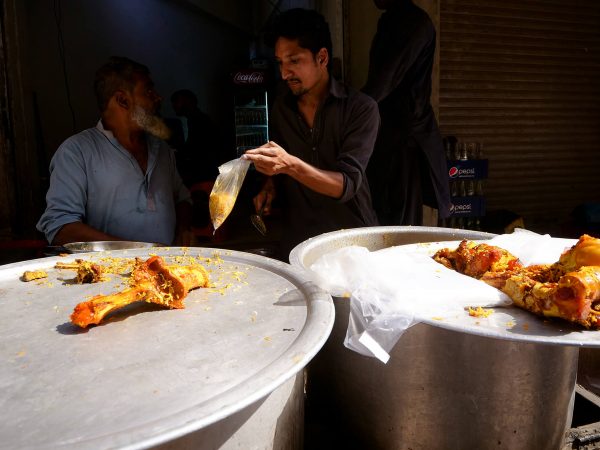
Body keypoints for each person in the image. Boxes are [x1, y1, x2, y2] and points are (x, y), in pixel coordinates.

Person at [243, 8, 380, 259]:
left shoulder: (361, 109)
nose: (285, 74)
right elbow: (282, 162)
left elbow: (346, 185)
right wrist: (271, 184)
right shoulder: (281, 108)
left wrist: (289, 165)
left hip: (351, 243)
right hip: (299, 242)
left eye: (294, 61)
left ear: (322, 57)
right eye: (280, 63)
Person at [37, 56, 192, 246]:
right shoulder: (76, 152)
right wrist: (136, 253)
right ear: (122, 100)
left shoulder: (162, 150)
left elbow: (182, 198)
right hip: (109, 274)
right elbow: (60, 227)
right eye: (148, 91)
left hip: (167, 269)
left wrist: (184, 228)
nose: (158, 97)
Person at [362, 0, 452, 226]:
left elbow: (382, 82)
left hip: (403, 140)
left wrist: (346, 111)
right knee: (387, 217)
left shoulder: (412, 23)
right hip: (389, 136)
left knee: (399, 225)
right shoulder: (394, 19)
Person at [170, 89, 220, 186]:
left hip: (203, 175)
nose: (174, 105)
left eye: (176, 101)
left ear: (188, 101)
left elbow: (196, 149)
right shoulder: (195, 119)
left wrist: (177, 152)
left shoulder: (199, 121)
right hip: (205, 173)